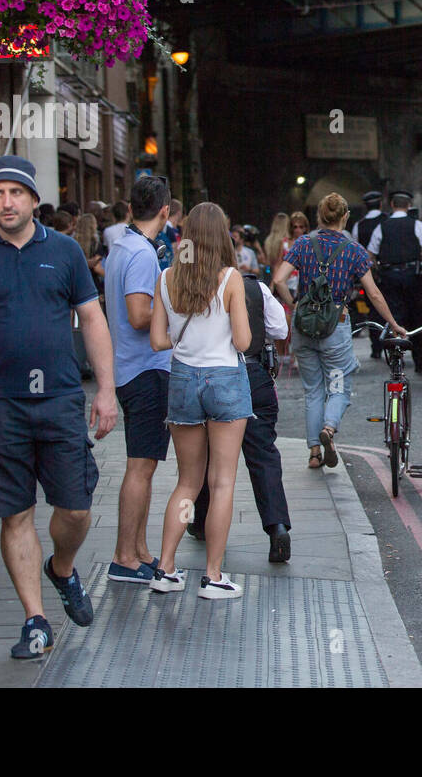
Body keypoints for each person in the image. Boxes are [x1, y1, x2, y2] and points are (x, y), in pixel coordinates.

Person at [0, 155, 118, 658]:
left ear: (34, 199)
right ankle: (35, 620)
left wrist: (105, 391)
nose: (7, 201)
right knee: (15, 514)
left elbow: (93, 319)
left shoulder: (63, 252)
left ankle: (62, 568)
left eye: (16, 193)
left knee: (76, 509)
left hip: (60, 399)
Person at [149, 202, 253, 601]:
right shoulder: (230, 278)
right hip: (224, 378)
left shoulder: (166, 278)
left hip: (182, 379)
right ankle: (212, 576)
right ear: (220, 235)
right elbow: (243, 342)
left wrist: (185, 336)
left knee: (187, 482)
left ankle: (166, 567)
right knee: (222, 481)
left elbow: (158, 341)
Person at [274, 193, 405, 470]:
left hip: (304, 325)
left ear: (320, 216)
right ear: (345, 217)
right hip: (335, 328)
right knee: (338, 387)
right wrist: (393, 324)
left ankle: (313, 453)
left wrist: (293, 303)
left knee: (312, 391)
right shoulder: (353, 250)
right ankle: (329, 430)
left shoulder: (303, 244)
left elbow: (278, 279)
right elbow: (374, 294)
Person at [188, 266, 293, 563]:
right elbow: (280, 330)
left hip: (212, 377)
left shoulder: (190, 283)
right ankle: (277, 527)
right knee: (263, 455)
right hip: (254, 374)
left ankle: (199, 520)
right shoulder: (255, 287)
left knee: (204, 456)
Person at [103, 176, 172, 584]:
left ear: (131, 209)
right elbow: (138, 315)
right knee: (140, 467)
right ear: (164, 211)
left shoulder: (123, 248)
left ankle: (140, 550)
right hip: (144, 369)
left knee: (143, 465)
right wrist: (173, 303)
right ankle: (124, 557)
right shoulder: (144, 255)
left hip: (130, 367)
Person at [367, 190, 422, 373]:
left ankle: (396, 358)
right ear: (408, 206)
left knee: (394, 317)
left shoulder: (382, 227)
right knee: (416, 316)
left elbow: (370, 255)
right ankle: (420, 358)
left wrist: (376, 268)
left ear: (392, 205)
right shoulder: (417, 225)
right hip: (412, 277)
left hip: (389, 277)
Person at [351, 191, 387, 359]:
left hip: (368, 272)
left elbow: (356, 248)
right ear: (380, 204)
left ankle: (376, 346)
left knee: (372, 309)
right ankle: (390, 342)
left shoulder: (359, 225)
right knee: (390, 306)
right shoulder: (388, 221)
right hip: (388, 270)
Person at [74, 212, 107, 295]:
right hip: (92, 283)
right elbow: (97, 268)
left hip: (76, 283)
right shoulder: (96, 245)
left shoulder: (73, 242)